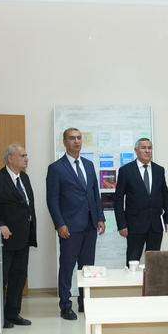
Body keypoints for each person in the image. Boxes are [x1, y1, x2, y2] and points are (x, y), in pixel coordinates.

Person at [46, 127, 105, 320]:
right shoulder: (56, 168)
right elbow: (52, 200)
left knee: (87, 268)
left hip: (90, 226)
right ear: (65, 142)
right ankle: (65, 306)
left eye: (79, 138)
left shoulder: (88, 165)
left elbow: (95, 194)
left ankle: (83, 302)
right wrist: (59, 224)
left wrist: (100, 217)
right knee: (67, 267)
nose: (77, 141)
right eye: (72, 138)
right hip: (69, 227)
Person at [0, 143, 37, 328]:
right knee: (3, 278)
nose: (26, 159)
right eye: (22, 156)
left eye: (26, 155)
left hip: (24, 237)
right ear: (10, 158)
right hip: (6, 239)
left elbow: (28, 206)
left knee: (19, 277)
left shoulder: (24, 177)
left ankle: (13, 313)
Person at [113, 137, 168, 264]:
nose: (147, 151)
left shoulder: (159, 170)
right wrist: (121, 225)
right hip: (134, 225)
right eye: (143, 148)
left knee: (154, 263)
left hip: (155, 226)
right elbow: (118, 200)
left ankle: (153, 279)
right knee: (132, 261)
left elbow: (165, 196)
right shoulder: (126, 171)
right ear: (136, 150)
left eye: (149, 148)